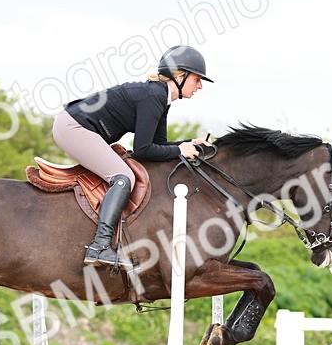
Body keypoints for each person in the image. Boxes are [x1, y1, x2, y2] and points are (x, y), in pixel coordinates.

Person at [53, 45, 213, 269]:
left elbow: (158, 145)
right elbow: (143, 150)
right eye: (197, 79)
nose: (200, 86)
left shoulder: (160, 97)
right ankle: (100, 246)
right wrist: (179, 150)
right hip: (74, 127)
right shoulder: (154, 96)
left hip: (76, 125)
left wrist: (186, 144)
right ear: (181, 76)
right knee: (122, 176)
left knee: (122, 173)